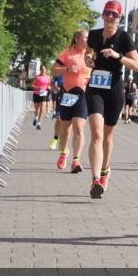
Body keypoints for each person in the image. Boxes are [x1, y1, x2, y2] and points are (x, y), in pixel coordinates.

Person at [84, 0, 138, 199]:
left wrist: (118, 56)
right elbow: (88, 55)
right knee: (97, 134)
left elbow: (136, 65)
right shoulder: (93, 35)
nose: (110, 17)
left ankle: (106, 170)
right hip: (95, 88)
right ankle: (95, 180)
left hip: (115, 89)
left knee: (108, 136)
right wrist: (88, 60)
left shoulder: (124, 37)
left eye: (114, 15)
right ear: (102, 14)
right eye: (108, 13)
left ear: (119, 18)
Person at [51, 30, 91, 174]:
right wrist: (66, 69)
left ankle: (76, 160)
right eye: (85, 38)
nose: (87, 40)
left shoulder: (90, 54)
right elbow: (54, 70)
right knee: (65, 128)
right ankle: (63, 153)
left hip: (83, 95)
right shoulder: (67, 53)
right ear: (77, 38)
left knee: (79, 127)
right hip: (67, 93)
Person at [30, 64, 50, 129]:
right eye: (42, 69)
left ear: (46, 70)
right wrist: (38, 87)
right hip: (36, 94)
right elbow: (32, 85)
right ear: (40, 70)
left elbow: (49, 85)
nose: (43, 70)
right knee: (37, 109)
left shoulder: (48, 77)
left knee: (42, 109)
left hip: (44, 93)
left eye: (44, 69)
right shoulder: (37, 77)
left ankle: (39, 123)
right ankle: (35, 118)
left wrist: (49, 87)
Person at [48, 74, 64, 149]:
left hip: (73, 97)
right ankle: (55, 138)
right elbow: (52, 83)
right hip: (61, 96)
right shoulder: (59, 72)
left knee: (68, 122)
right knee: (59, 119)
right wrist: (56, 88)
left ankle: (63, 142)